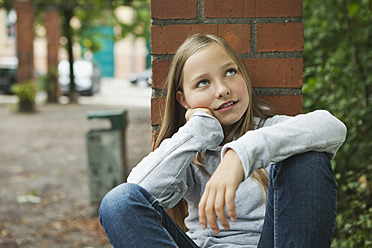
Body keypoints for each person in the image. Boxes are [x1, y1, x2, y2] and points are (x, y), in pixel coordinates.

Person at [99, 34, 347, 248]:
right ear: (184, 100)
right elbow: (135, 196)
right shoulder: (190, 151)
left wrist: (240, 155)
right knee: (117, 201)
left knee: (308, 158)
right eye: (203, 82)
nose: (222, 89)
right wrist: (197, 130)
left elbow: (331, 127)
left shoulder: (273, 131)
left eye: (230, 72)